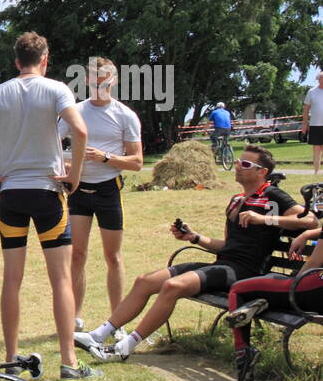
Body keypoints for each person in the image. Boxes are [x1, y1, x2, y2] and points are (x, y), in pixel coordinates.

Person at [76, 145, 312, 364]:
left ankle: (125, 347)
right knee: (145, 281)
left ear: (263, 172)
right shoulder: (237, 200)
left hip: (245, 272)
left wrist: (266, 219)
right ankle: (99, 335)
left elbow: (310, 219)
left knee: (173, 286)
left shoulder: (272, 195)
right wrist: (195, 237)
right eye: (239, 161)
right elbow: (227, 245)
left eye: (246, 164)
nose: (238, 166)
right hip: (224, 265)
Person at [0, 30, 96, 380]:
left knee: (12, 280)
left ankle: (10, 357)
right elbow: (80, 132)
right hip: (48, 192)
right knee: (61, 280)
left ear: (17, 61)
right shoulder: (56, 89)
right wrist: (75, 175)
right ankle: (69, 362)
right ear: (45, 59)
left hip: (11, 195)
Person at [58, 57, 144, 326]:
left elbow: (137, 161)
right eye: (94, 79)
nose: (98, 84)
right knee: (77, 255)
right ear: (86, 81)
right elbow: (51, 146)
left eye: (103, 79)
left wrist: (105, 157)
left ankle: (116, 321)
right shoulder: (75, 111)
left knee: (113, 257)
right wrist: (71, 165)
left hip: (108, 190)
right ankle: (74, 317)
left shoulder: (125, 115)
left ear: (113, 80)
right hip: (79, 191)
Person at [225, 224, 323, 381]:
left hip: (313, 290)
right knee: (273, 279)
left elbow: (314, 262)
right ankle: (261, 303)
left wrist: (294, 285)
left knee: (238, 289)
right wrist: (306, 234)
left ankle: (243, 352)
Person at [304, 72, 323, 174]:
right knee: (316, 149)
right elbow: (306, 109)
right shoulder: (312, 92)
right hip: (315, 124)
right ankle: (316, 171)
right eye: (321, 78)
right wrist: (305, 123)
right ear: (318, 79)